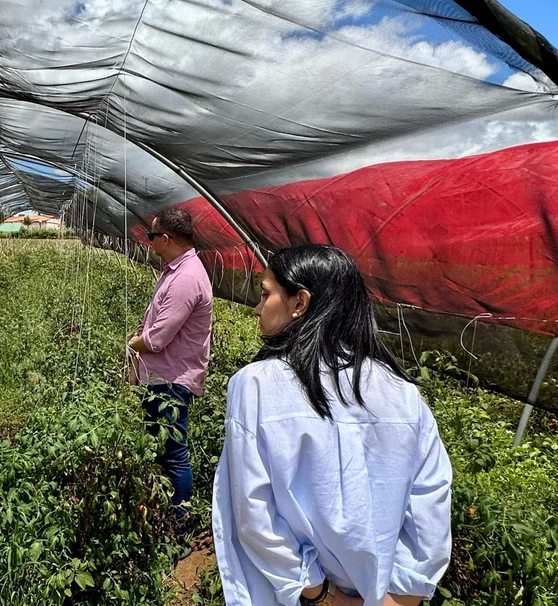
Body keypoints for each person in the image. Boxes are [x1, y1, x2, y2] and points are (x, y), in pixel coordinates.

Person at [212, 244, 452, 606]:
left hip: (298, 597)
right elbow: (430, 505)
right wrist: (400, 597)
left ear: (300, 303)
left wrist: (320, 594)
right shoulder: (404, 396)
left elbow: (254, 514)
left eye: (265, 295)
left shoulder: (257, 384)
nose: (256, 309)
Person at [128, 206, 213, 527]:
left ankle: (178, 524)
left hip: (171, 380)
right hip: (162, 376)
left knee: (174, 454)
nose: (149, 243)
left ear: (166, 238)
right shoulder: (177, 271)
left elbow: (156, 339)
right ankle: (166, 512)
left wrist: (132, 344)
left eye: (151, 236)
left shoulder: (186, 278)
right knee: (162, 449)